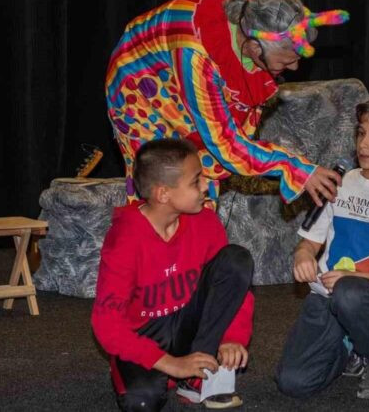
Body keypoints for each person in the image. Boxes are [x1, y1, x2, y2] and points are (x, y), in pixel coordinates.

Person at [105, 0, 349, 208]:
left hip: (182, 76)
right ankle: (152, 250)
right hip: (139, 86)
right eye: (287, 61)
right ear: (254, 48)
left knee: (200, 184)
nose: (295, 68)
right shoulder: (198, 55)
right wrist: (295, 168)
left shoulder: (260, 15)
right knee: (163, 185)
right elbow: (226, 145)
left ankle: (197, 248)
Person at [275, 92, 369, 400]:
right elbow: (309, 244)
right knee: (293, 383)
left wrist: (356, 279)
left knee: (350, 293)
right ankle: (350, 348)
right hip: (325, 297)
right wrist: (303, 256)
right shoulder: (339, 181)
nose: (363, 143)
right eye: (360, 133)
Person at [91, 138, 254, 411]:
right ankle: (171, 371)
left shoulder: (205, 221)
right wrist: (171, 364)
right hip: (144, 334)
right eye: (196, 181)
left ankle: (195, 377)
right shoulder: (125, 239)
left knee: (236, 259)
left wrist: (232, 336)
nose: (206, 187)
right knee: (141, 402)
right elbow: (106, 325)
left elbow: (231, 286)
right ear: (163, 194)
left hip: (187, 324)